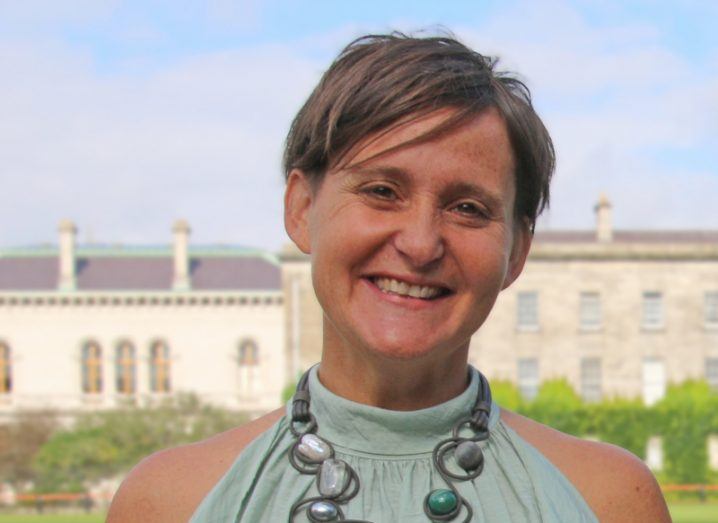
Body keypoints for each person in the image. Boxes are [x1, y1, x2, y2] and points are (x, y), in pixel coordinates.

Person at [107, 33, 671, 522]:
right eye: (381, 192)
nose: (421, 243)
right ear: (302, 209)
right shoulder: (170, 501)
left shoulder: (611, 500)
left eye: (468, 208)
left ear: (517, 250)